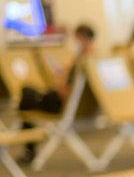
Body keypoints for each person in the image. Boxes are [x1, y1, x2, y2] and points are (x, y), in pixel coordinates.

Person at [18, 24, 96, 165]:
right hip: (72, 104)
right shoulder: (91, 59)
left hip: (62, 104)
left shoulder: (85, 61)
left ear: (84, 38)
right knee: (28, 95)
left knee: (27, 94)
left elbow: (72, 91)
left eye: (77, 38)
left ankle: (27, 144)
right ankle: (26, 141)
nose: (75, 42)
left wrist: (62, 88)